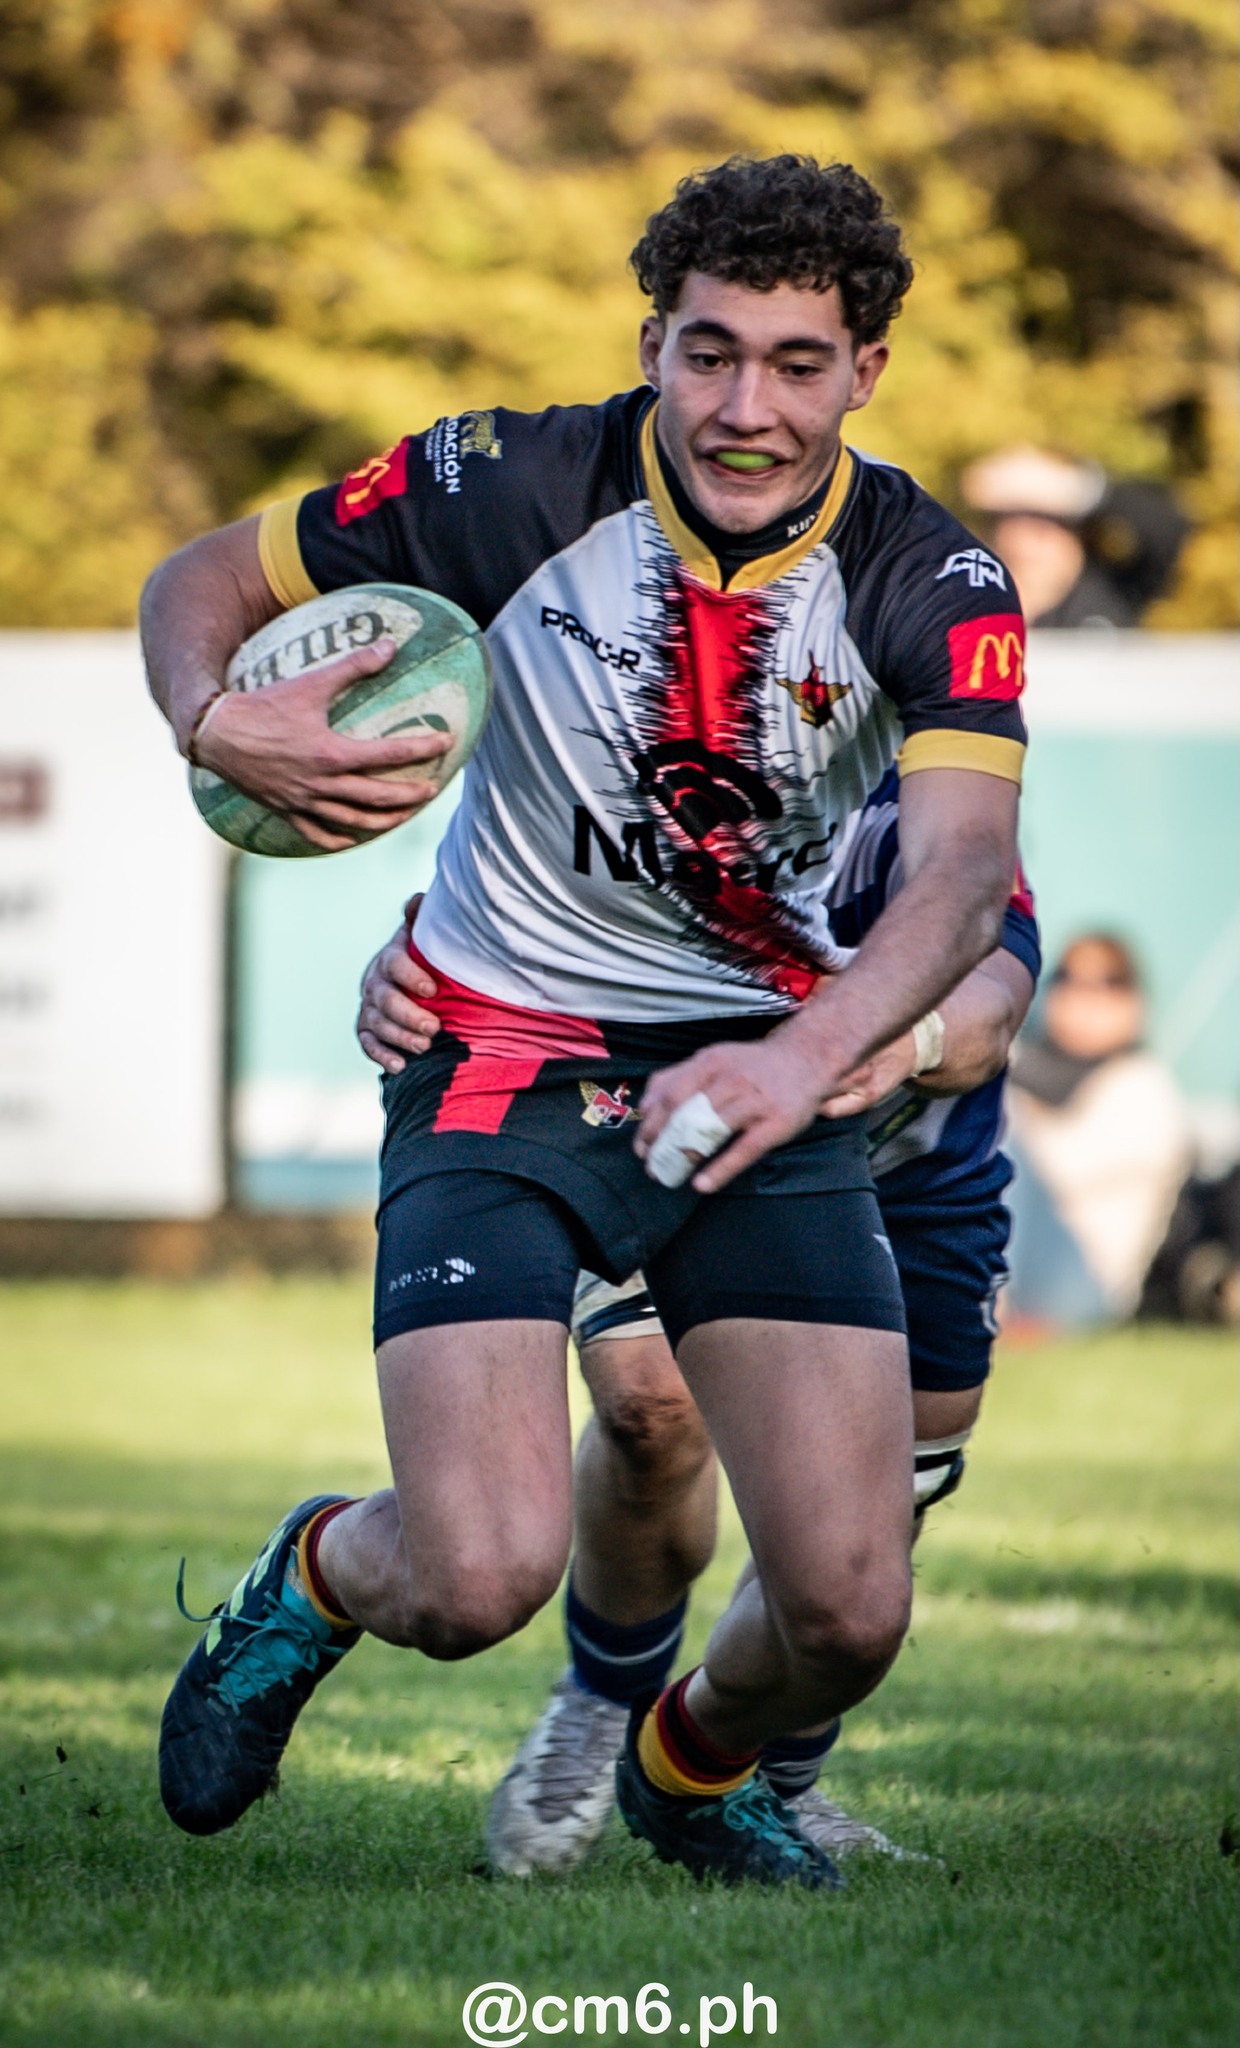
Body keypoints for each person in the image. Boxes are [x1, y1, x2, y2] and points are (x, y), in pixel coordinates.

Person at [141, 153, 1027, 1890]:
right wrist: (207, 716)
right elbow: (203, 578)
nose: (745, 405)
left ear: (866, 373)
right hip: (499, 1053)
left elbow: (968, 874)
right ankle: (317, 1571)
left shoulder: (940, 578)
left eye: (793, 362)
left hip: (749, 1084)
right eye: (708, 354)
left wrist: (801, 1053)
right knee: (475, 1578)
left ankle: (689, 1775)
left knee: (846, 1608)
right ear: (652, 342)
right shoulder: (505, 477)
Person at [354, 772, 1040, 1871]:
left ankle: (748, 1770)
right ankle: (600, 1696)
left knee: (869, 1506)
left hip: (917, 1175)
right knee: (647, 1407)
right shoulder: (666, 755)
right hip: (685, 1142)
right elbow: (495, 920)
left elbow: (990, 1012)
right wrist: (405, 964)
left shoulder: (929, 801)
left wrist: (874, 1045)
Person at [1005, 934, 1192, 1324]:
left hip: (1084, 1289)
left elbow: (1051, 1169)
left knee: (1000, 1142)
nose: (1083, 998)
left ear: (1135, 1002)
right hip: (1024, 1268)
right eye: (1067, 979)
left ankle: (982, 1308)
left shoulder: (1143, 1086)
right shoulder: (1024, 1069)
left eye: (1109, 983)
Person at [959, 446, 1189, 629]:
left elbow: (1171, 528)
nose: (1025, 542)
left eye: (1044, 522)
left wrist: (1081, 489)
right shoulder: (967, 604)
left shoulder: (1111, 593)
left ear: (1076, 530)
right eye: (1010, 518)